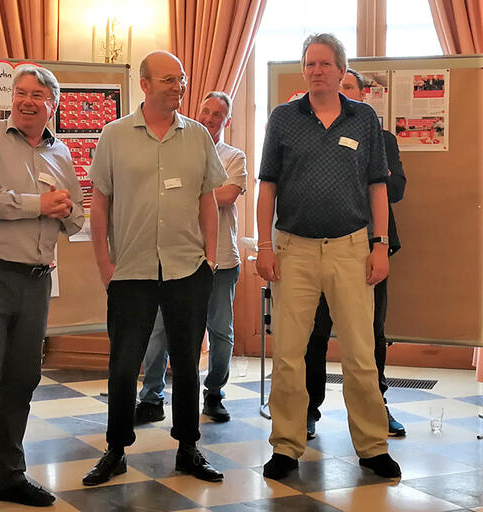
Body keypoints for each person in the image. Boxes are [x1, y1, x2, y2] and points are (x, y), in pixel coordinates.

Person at [256, 33, 401, 481]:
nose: (316, 70)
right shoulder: (283, 118)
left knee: (359, 354)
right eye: (310, 63)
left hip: (351, 249)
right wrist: (264, 246)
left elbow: (378, 186)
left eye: (324, 63)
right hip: (293, 250)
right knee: (288, 355)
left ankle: (373, 446)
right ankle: (286, 446)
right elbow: (267, 186)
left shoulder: (364, 118)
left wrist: (380, 245)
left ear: (341, 70)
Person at [82, 51, 226, 487]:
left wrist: (210, 259)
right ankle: (115, 450)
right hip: (131, 271)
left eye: (181, 79)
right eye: (168, 80)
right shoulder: (114, 135)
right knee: (124, 366)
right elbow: (100, 202)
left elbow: (207, 199)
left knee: (186, 364)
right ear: (144, 84)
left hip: (188, 269)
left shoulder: (198, 135)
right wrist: (104, 263)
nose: (178, 87)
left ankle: (188, 447)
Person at [0, 65, 84, 512]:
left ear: (53, 104)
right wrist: (38, 204)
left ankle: (8, 477)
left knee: (21, 380)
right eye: (21, 93)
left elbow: (76, 218)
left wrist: (63, 210)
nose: (27, 101)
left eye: (37, 95)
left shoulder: (61, 152)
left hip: (35, 280)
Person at [305, 68, 407, 440]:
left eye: (350, 87)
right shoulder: (312, 134)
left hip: (369, 249)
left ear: (363, 97)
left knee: (371, 333)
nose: (343, 90)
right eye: (341, 85)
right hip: (319, 247)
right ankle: (308, 410)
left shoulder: (383, 139)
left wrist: (366, 175)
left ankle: (376, 406)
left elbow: (396, 189)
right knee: (316, 332)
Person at [135, 91, 247, 424]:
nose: (209, 118)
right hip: (175, 258)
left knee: (220, 331)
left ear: (227, 121)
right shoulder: (175, 151)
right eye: (205, 111)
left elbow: (226, 196)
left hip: (221, 261)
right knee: (159, 330)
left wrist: (185, 190)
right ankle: (151, 397)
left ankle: (214, 394)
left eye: (217, 114)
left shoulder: (233, 157)